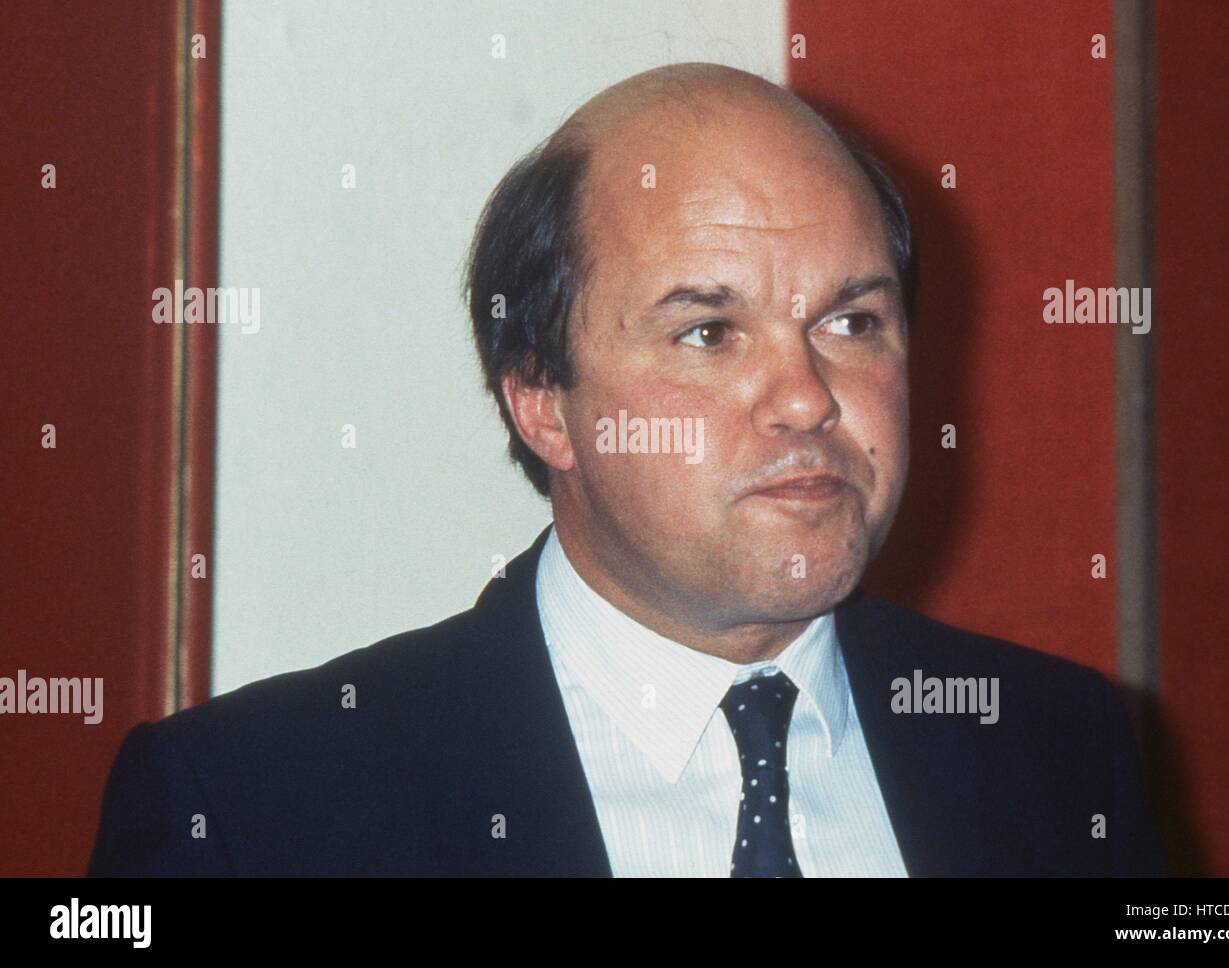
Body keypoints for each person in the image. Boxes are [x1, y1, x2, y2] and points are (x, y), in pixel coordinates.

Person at [88, 63, 1165, 877]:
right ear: (542, 400)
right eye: (707, 331)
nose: (806, 397)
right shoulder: (255, 808)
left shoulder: (1055, 746)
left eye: (850, 319)